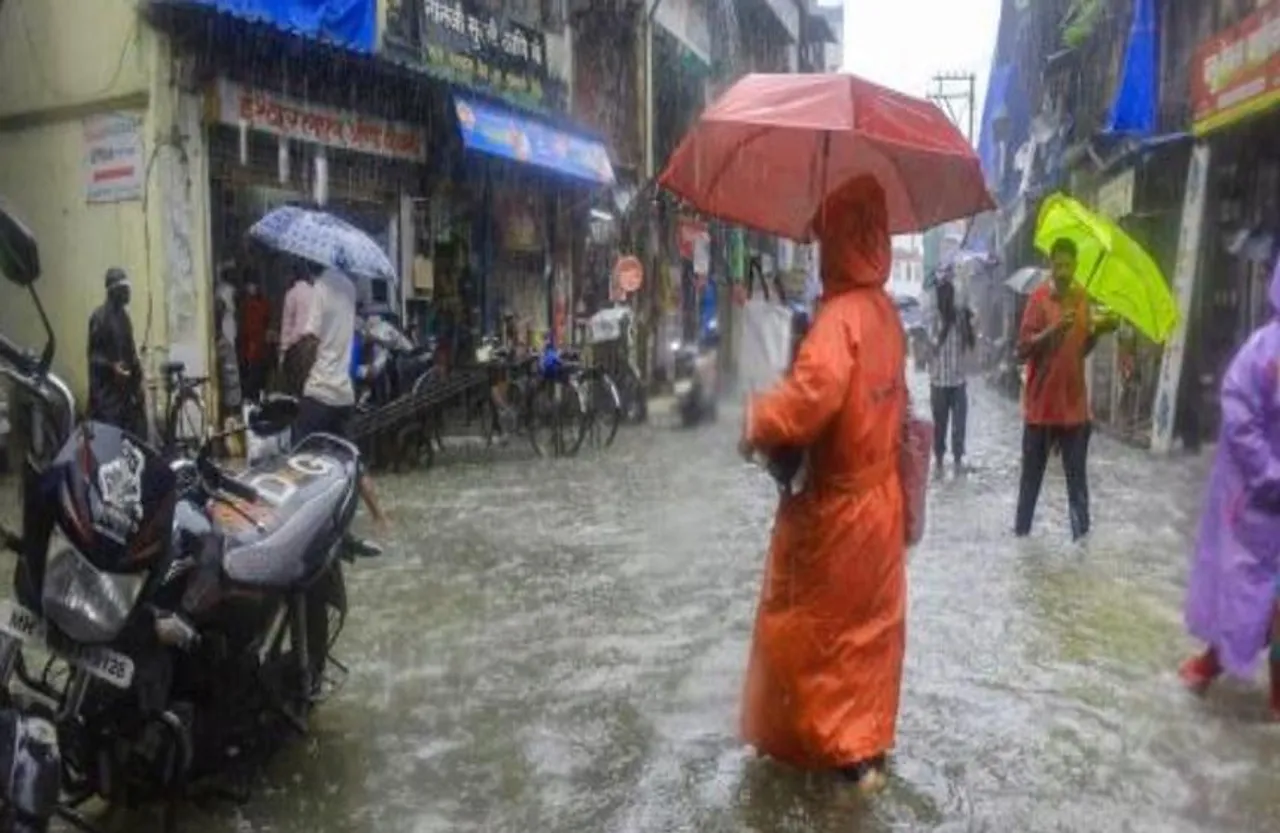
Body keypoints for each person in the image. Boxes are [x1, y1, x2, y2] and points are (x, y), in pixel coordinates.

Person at [736, 176, 907, 795]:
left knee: (809, 638)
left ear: (838, 239)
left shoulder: (840, 321)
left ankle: (845, 771)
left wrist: (753, 417)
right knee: (866, 639)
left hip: (836, 516)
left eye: (823, 237)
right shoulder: (886, 315)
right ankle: (866, 754)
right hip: (882, 508)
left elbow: (807, 404)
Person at [1179, 260, 1280, 714]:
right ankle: (1212, 675)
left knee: (1264, 604)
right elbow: (1240, 419)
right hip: (1256, 507)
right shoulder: (1263, 352)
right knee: (1251, 599)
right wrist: (1272, 476)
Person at [1014, 238, 1117, 541]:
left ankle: (1081, 551)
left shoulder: (1082, 298)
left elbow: (1079, 351)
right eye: (1058, 265)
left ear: (1075, 266)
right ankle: (1022, 544)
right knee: (1030, 486)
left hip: (1074, 410)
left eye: (1068, 265)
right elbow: (1022, 349)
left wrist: (1098, 332)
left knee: (1078, 487)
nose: (1063, 271)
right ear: (1051, 265)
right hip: (1040, 410)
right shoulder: (1038, 299)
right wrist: (1054, 330)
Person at [293, 264, 388, 530]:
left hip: (319, 390)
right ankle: (381, 518)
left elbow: (310, 337)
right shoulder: (349, 287)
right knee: (353, 460)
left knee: (298, 460)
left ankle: (298, 526)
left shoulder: (321, 287)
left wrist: (301, 367)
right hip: (344, 393)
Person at [87, 268, 146, 437]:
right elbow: (94, 357)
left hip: (125, 397)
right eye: (124, 289)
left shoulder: (124, 318)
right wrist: (112, 367)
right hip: (106, 400)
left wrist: (138, 379)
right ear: (114, 291)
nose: (128, 293)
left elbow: (130, 351)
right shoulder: (99, 318)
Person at [928, 276, 975, 476]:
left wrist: (968, 323)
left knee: (959, 425)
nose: (947, 300)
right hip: (938, 382)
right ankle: (939, 460)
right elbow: (932, 347)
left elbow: (970, 344)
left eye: (950, 296)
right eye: (943, 296)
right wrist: (946, 326)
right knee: (939, 425)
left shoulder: (960, 318)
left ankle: (957, 460)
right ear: (939, 299)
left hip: (958, 382)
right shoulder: (933, 319)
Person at [279, 268, 315, 396]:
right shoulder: (315, 293)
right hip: (314, 343)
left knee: (296, 385)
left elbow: (287, 324)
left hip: (297, 346)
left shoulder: (291, 294)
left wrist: (283, 350)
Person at [238, 279, 271, 402]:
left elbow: (266, 320)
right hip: (249, 343)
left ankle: (255, 397)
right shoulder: (246, 304)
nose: (250, 288)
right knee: (251, 372)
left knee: (256, 372)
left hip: (257, 343)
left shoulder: (259, 304)